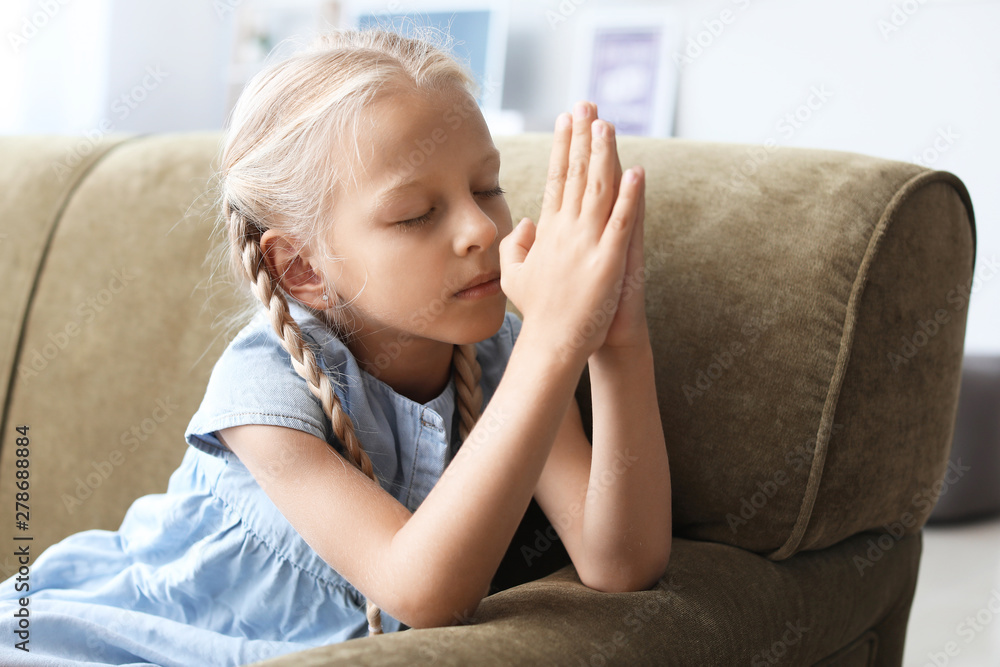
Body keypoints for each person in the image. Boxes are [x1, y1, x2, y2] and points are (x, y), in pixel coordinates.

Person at [0, 28, 671, 666]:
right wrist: (555, 344)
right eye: (416, 214)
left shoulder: (507, 358)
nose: (479, 227)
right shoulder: (264, 385)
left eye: (486, 186)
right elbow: (422, 590)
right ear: (303, 269)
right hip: (127, 638)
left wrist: (616, 342)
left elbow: (621, 563)